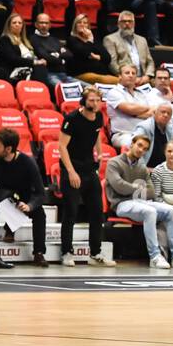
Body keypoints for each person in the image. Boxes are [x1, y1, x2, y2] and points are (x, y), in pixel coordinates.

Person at [59, 86, 117, 267]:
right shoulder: (72, 119)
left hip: (89, 169)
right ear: (84, 101)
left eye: (98, 100)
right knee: (71, 212)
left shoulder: (99, 116)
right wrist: (71, 172)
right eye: (92, 100)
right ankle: (66, 252)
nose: (95, 103)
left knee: (97, 212)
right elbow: (61, 147)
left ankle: (95, 253)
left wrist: (99, 153)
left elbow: (97, 133)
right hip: (72, 168)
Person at [104, 133, 173, 269]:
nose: (141, 150)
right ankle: (155, 256)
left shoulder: (142, 167)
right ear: (131, 144)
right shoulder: (114, 163)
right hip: (121, 204)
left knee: (172, 210)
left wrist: (133, 188)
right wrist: (138, 187)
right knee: (150, 211)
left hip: (140, 202)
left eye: (145, 149)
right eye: (139, 145)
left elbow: (151, 191)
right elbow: (118, 186)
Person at [0, 128, 47, 268]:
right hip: (2, 195)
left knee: (40, 213)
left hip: (24, 196)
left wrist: (30, 205)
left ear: (8, 149)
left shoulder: (28, 162)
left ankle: (39, 252)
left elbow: (41, 193)